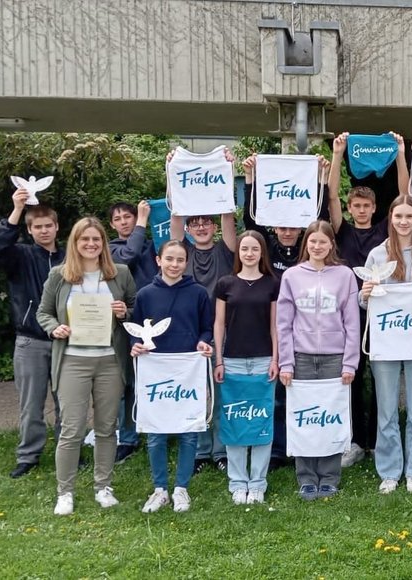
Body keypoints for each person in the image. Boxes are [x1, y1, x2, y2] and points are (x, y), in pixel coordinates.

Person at [37, 217, 137, 515]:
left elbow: (136, 309)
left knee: (107, 428)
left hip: (109, 361)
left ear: (103, 243)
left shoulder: (120, 273)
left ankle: (103, 487)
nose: (91, 244)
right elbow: (43, 313)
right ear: (75, 242)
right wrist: (54, 327)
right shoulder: (59, 275)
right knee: (72, 429)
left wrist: (124, 312)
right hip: (73, 360)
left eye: (96, 239)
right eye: (85, 239)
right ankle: (65, 492)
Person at [242, 154, 333, 472]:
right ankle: (279, 449)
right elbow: (251, 223)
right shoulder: (268, 246)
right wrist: (251, 179)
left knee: (302, 390)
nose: (287, 231)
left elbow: (322, 218)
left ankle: (306, 443)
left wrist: (322, 179)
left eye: (293, 226)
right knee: (278, 391)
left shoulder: (309, 248)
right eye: (281, 226)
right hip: (272, 327)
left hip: (307, 326)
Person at [329, 131, 409, 469]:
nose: (361, 210)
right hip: (348, 315)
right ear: (350, 209)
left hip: (381, 314)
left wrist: (401, 152)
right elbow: (331, 195)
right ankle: (354, 440)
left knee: (379, 378)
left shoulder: (383, 232)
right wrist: (338, 154)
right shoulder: (342, 231)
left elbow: (405, 195)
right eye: (356, 206)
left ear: (375, 209)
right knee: (351, 376)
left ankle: (377, 440)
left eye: (366, 206)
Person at [359, 195, 412, 494]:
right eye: (398, 216)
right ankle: (390, 471)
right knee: (387, 410)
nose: (404, 222)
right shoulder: (377, 255)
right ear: (391, 219)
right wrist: (364, 294)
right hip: (386, 342)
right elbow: (364, 301)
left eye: (409, 216)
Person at [277, 221, 361, 500]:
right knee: (304, 418)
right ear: (306, 244)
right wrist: (286, 363)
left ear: (330, 245)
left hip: (334, 358)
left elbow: (352, 322)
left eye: (322, 242)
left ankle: (329, 477)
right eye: (312, 241)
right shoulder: (291, 276)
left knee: (330, 417)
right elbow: (283, 324)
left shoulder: (345, 275)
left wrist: (349, 363)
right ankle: (306, 477)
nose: (317, 246)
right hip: (301, 358)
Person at [131, 240, 215, 513]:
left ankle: (181, 488)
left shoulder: (198, 293)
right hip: (155, 371)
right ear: (158, 260)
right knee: (156, 434)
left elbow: (206, 328)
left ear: (186, 263)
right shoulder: (145, 294)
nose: (174, 264)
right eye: (169, 259)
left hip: (187, 373)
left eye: (180, 260)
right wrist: (136, 345)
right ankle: (159, 490)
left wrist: (203, 342)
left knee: (189, 432)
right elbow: (136, 330)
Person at [168, 148, 238, 473]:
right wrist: (172, 174)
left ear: (213, 226)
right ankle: (199, 452)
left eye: (205, 222)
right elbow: (176, 217)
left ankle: (221, 452)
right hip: (190, 333)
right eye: (194, 223)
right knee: (196, 393)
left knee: (221, 393)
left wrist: (227, 171)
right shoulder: (181, 253)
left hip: (223, 331)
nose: (200, 227)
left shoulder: (226, 250)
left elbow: (228, 214)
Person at [0, 188, 65, 479]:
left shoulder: (70, 257)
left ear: (56, 227)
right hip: (31, 340)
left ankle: (68, 452)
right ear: (30, 230)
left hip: (65, 340)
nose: (44, 231)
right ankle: (28, 456)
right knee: (31, 404)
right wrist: (17, 210)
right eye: (38, 227)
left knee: (67, 403)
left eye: (48, 225)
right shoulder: (20, 255)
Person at [213, 231, 281, 505]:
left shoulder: (272, 284)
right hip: (232, 361)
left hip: (264, 361)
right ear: (238, 252)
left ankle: (258, 483)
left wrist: (275, 359)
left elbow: (275, 326)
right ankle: (238, 482)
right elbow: (219, 324)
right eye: (244, 248)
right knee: (235, 421)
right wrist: (219, 359)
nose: (249, 253)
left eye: (254, 249)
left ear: (261, 252)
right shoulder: (225, 284)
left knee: (261, 421)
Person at [108, 200, 158, 464]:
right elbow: (129, 257)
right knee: (127, 381)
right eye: (118, 219)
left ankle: (161, 428)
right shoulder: (111, 249)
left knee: (159, 377)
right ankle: (127, 438)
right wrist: (142, 221)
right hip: (125, 321)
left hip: (155, 318)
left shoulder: (152, 245)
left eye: (128, 216)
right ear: (111, 225)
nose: (124, 222)